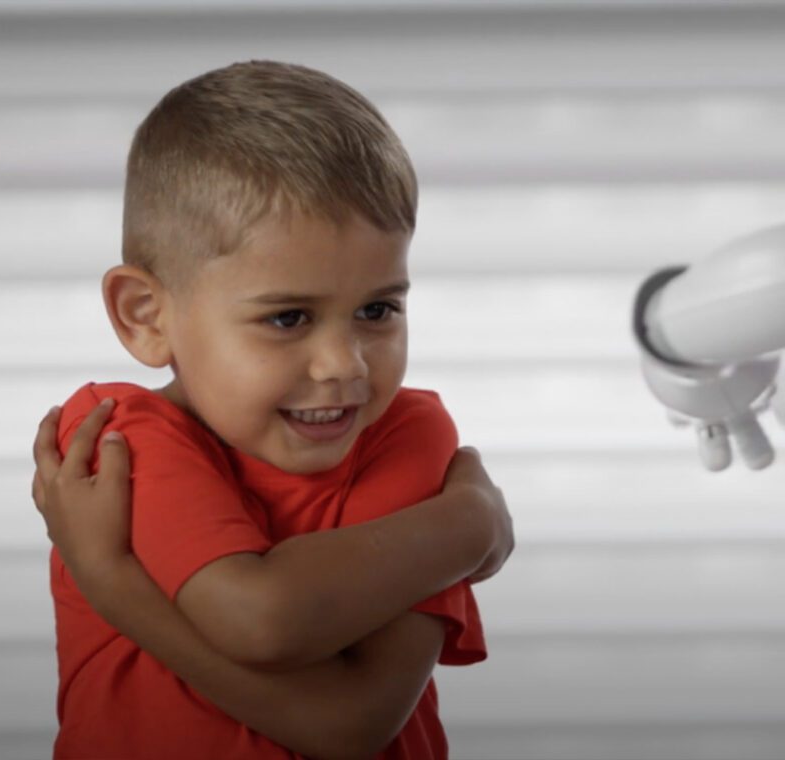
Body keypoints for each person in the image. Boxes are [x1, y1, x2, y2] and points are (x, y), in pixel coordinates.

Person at [27, 59, 514, 760]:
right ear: (147, 316)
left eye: (377, 309)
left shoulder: (406, 434)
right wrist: (472, 524)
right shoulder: (112, 445)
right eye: (288, 318)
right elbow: (260, 618)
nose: (344, 365)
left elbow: (355, 718)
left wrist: (117, 582)